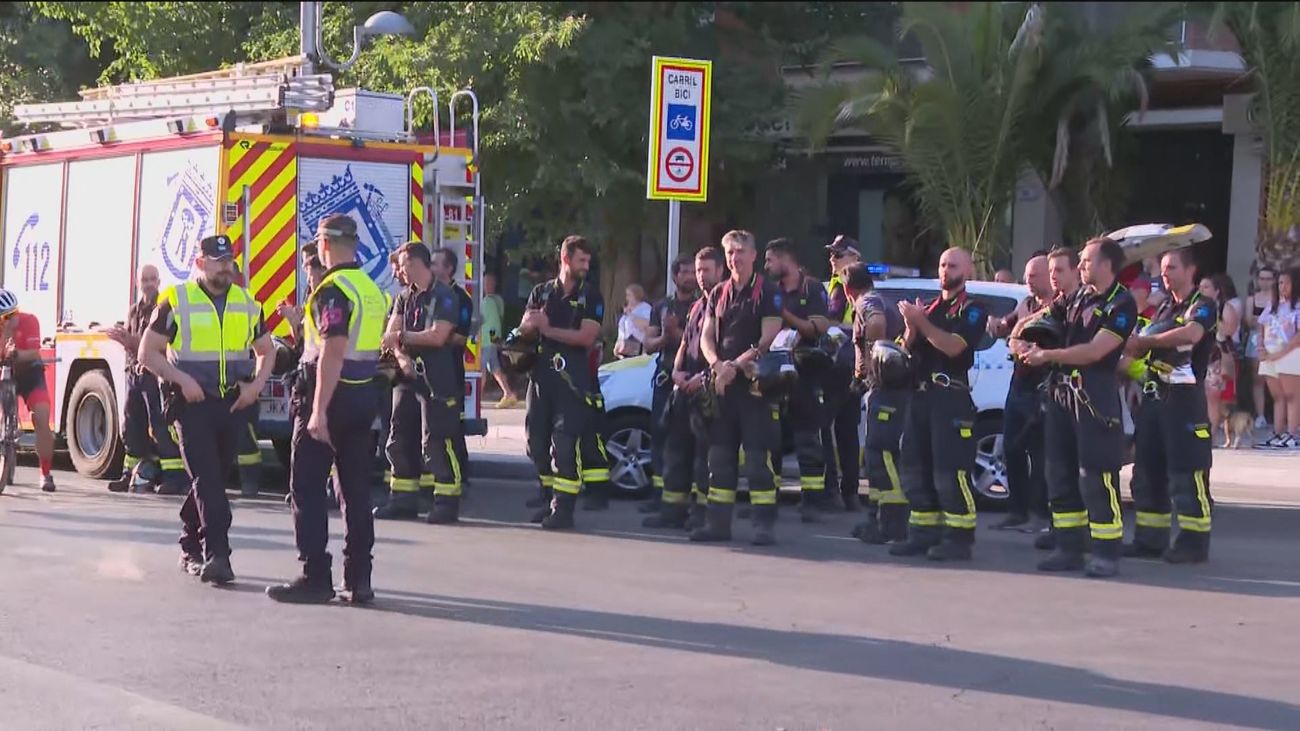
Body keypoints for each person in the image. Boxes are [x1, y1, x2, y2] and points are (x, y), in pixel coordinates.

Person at [139, 234, 274, 584]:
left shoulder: (246, 303)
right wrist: (181, 379)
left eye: (229, 261)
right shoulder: (176, 300)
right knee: (209, 480)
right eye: (217, 262)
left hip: (232, 404)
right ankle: (219, 555)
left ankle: (189, 543)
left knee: (210, 479)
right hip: (191, 404)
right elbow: (147, 353)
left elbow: (267, 350)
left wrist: (256, 386)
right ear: (200, 263)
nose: (225, 268)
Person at [267, 214, 386, 604]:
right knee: (355, 491)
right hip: (363, 395)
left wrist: (318, 411)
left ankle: (315, 575)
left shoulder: (331, 291)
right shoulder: (370, 288)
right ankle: (359, 579)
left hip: (331, 397)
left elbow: (333, 349)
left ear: (325, 244)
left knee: (307, 487)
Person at [1021, 237, 1137, 578]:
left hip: (1094, 396)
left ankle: (1105, 551)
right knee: (1058, 474)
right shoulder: (1078, 297)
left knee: (1097, 477)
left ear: (1106, 265)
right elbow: (1037, 319)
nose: (1082, 266)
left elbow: (1095, 351)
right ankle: (1068, 547)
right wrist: (1019, 337)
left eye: (1086, 261)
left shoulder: (1122, 303)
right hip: (1060, 396)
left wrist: (1047, 356)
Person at [889, 248, 988, 562]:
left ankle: (959, 538)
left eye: (953, 265)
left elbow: (954, 347)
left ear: (967, 270)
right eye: (943, 264)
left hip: (951, 399)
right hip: (920, 396)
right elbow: (907, 349)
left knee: (950, 472)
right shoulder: (929, 308)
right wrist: (911, 326)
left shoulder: (973, 309)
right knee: (915, 470)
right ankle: (923, 532)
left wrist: (923, 323)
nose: (946, 270)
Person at [690, 230, 784, 546]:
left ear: (754, 255)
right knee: (719, 460)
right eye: (730, 252)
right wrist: (717, 365)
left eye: (741, 251)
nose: (735, 258)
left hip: (755, 388)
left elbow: (768, 338)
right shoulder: (718, 293)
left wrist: (735, 365)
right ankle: (718, 524)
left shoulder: (767, 291)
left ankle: (763, 526)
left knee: (758, 461)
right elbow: (706, 336)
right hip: (723, 387)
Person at [1124, 247, 1218, 563]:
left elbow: (1191, 334)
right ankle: (1150, 540)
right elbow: (1140, 347)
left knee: (1187, 472)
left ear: (1190, 270)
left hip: (1184, 403)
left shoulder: (1202, 305)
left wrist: (1145, 342)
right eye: (1163, 268)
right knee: (1147, 472)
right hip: (1153, 399)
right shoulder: (1164, 307)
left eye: (1172, 267)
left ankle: (1193, 543)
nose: (1165, 274)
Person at [373, 242, 463, 522]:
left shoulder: (444, 296)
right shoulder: (403, 297)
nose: (398, 270)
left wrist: (403, 338)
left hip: (437, 378)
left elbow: (438, 336)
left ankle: (446, 503)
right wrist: (402, 358)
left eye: (401, 264)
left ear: (413, 263)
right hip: (406, 376)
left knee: (435, 440)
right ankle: (402, 500)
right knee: (398, 438)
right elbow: (390, 336)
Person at [520, 235, 605, 530]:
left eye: (588, 260)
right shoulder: (541, 293)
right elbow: (524, 330)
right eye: (581, 260)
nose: (586, 265)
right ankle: (546, 499)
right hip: (541, 377)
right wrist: (526, 329)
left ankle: (563, 509)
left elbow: (586, 337)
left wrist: (548, 328)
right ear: (565, 259)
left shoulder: (591, 296)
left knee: (565, 444)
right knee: (536, 442)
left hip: (573, 377)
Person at [644, 247, 724, 530]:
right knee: (675, 451)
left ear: (720, 271)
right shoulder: (694, 306)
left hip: (707, 388)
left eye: (703, 270)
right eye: (694, 271)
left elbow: (721, 349)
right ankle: (672, 511)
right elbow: (683, 343)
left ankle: (701, 515)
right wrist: (678, 371)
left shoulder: (725, 303)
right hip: (679, 387)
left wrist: (699, 378)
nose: (698, 276)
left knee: (704, 458)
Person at [764, 237, 832, 519]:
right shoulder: (768, 290)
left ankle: (813, 501)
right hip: (774, 369)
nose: (766, 266)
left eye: (769, 260)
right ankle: (768, 499)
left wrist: (784, 315)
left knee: (807, 438)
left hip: (805, 370)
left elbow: (817, 328)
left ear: (785, 259)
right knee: (771, 437)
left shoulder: (812, 288)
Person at [106, 265, 187, 495]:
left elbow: (161, 345)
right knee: (132, 425)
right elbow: (134, 346)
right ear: (137, 282)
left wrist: (131, 341)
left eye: (153, 279)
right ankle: (129, 473)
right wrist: (128, 345)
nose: (149, 283)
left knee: (160, 425)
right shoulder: (133, 310)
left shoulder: (163, 309)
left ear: (159, 281)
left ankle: (174, 476)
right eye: (145, 279)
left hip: (155, 375)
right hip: (135, 374)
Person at [843, 263, 908, 544]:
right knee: (874, 458)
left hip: (886, 388)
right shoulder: (880, 298)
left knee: (881, 456)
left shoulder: (867, 302)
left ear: (847, 289)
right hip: (885, 388)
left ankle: (893, 523)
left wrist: (872, 362)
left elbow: (877, 323)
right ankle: (877, 518)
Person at [988, 254, 1053, 531]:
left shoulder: (1056, 307)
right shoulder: (1027, 303)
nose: (1028, 281)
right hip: (1019, 384)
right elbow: (1008, 325)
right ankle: (1017, 509)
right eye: (1026, 275)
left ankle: (1040, 514)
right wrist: (997, 326)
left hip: (1043, 387)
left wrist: (1019, 332)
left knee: (1040, 454)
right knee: (1011, 447)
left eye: (1034, 276)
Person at [641, 258, 700, 515]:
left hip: (692, 376)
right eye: (684, 272)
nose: (689, 276)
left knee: (693, 438)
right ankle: (659, 493)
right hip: (665, 377)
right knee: (660, 434)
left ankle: (690, 494)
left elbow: (695, 340)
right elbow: (649, 343)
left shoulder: (703, 305)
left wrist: (677, 334)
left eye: (692, 272)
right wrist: (667, 335)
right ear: (675, 277)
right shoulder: (662, 306)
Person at [822, 235, 865, 509]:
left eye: (838, 255)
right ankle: (848, 491)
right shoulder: (856, 285)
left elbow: (832, 321)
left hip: (839, 364)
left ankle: (833, 491)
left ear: (854, 258)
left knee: (825, 427)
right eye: (831, 254)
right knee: (847, 432)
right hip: (854, 365)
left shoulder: (842, 286)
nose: (832, 259)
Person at [0, 290, 56, 491]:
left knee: (41, 417)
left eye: (13, 314)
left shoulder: (30, 321)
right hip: (3, 373)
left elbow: (34, 353)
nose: (10, 320)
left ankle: (45, 473)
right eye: (5, 318)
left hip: (30, 372)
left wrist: (15, 353)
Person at [434, 248, 474, 491]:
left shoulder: (461, 299)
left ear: (448, 269)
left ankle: (462, 473)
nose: (431, 268)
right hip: (430, 371)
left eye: (436, 263)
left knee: (453, 427)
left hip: (451, 370)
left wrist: (434, 337)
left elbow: (460, 338)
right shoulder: (429, 295)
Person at [1256, 267, 1300, 449]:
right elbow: (1261, 326)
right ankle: (1278, 432)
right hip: (1269, 355)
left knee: (1292, 395)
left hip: (1289, 354)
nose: (1283, 286)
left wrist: (1280, 354)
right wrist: (1260, 347)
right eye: (1281, 282)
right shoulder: (1273, 305)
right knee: (1278, 396)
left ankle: (1292, 433)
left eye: (1287, 283)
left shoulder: (1297, 306)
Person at [1200, 274, 1241, 445]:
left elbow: (1229, 331)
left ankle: (1211, 433)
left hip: (1218, 355)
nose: (1202, 290)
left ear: (1217, 291)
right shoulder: (1196, 307)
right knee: (1202, 395)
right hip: (1200, 354)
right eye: (1200, 287)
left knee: (1214, 396)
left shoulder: (1225, 307)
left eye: (1206, 287)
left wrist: (1214, 319)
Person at [1244, 267, 1278, 428]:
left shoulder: (1279, 298)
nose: (1265, 282)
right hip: (1255, 339)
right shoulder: (1252, 299)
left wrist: (1260, 320)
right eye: (1262, 278)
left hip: (1277, 341)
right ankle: (1261, 414)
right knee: (1258, 379)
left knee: (1278, 379)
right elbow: (1248, 320)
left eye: (1268, 278)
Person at [479, 273, 518, 407]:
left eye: (487, 283)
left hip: (486, 341)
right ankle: (509, 393)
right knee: (495, 369)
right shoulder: (498, 300)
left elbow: (483, 321)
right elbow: (497, 320)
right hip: (492, 340)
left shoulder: (485, 302)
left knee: (481, 369)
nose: (485, 286)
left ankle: (477, 399)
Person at [614, 284, 653, 358]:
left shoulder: (645, 308)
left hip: (639, 347)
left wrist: (631, 315)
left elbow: (647, 326)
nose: (627, 298)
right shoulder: (626, 310)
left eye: (629, 295)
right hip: (624, 349)